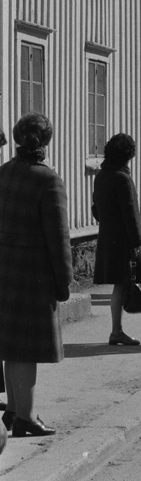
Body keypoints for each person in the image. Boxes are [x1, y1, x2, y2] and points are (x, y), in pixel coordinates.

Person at [0, 114, 73, 437]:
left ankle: (15, 412)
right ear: (46, 142)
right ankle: (26, 417)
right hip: (34, 273)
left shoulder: (2, 173)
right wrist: (64, 281)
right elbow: (59, 238)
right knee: (26, 348)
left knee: (11, 345)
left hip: (5, 269)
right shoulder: (48, 180)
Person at [92, 133, 141, 347]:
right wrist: (137, 243)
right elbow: (130, 213)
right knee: (122, 285)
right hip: (123, 239)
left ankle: (117, 330)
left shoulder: (101, 175)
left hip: (107, 235)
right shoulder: (123, 178)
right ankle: (116, 331)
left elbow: (95, 208)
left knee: (119, 285)